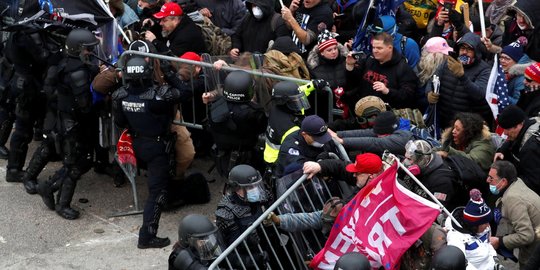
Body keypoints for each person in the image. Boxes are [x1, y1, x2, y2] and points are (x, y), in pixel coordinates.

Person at [113, 55, 182, 248]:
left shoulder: (120, 95)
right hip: (157, 147)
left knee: (158, 188)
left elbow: (120, 122)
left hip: (137, 144)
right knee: (157, 193)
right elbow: (184, 91)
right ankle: (147, 236)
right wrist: (168, 71)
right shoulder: (159, 97)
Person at [206, 70, 267, 177]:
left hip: (222, 159)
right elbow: (262, 129)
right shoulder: (254, 113)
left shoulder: (215, 106)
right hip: (248, 160)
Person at [215, 164, 272, 268]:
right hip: (249, 259)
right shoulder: (226, 211)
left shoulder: (264, 197)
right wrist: (247, 240)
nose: (255, 190)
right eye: (250, 187)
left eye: (256, 185)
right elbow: (231, 246)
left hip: (270, 249)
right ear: (236, 188)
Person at [344, 32, 418, 110]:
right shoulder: (369, 59)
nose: (375, 51)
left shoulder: (403, 68)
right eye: (373, 47)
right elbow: (354, 82)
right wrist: (350, 65)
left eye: (379, 48)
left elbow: (408, 96)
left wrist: (387, 91)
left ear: (390, 48)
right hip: (363, 111)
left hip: (386, 116)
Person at [487, 160, 540, 267]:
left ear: (503, 182)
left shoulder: (512, 198)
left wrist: (500, 241)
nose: (487, 180)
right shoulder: (516, 182)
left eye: (491, 178)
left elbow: (526, 235)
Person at [420, 37, 471, 129]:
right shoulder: (419, 72)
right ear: (434, 56)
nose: (447, 57)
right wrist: (428, 94)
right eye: (444, 54)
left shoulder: (445, 66)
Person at [444, 189, 499, 270]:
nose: (488, 226)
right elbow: (461, 264)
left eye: (488, 222)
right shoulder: (456, 238)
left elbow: (488, 244)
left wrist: (495, 260)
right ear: (474, 225)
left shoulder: (484, 228)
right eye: (484, 223)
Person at [401, 140, 461, 210]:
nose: (406, 162)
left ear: (421, 160)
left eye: (409, 159)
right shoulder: (419, 164)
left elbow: (433, 211)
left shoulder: (442, 182)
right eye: (406, 157)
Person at [494, 105, 540, 196]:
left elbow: (534, 183)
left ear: (519, 125)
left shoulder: (530, 149)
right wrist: (502, 150)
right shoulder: (530, 123)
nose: (505, 133)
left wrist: (509, 182)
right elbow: (514, 140)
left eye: (507, 129)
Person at [274, 114, 334, 178]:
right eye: (317, 138)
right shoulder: (290, 147)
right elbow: (300, 169)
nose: (321, 141)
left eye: (323, 138)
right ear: (304, 134)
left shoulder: (321, 135)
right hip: (292, 182)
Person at [331, 111, 413, 156]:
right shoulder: (393, 126)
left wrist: (342, 141)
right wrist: (337, 134)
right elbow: (368, 133)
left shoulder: (402, 139)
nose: (378, 136)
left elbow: (375, 142)